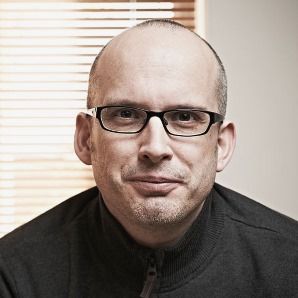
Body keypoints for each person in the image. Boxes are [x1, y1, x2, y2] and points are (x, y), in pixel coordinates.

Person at [0, 19, 297, 298]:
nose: (155, 148)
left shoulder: (290, 265)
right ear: (85, 139)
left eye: (185, 117)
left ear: (221, 145)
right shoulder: (13, 275)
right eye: (126, 114)